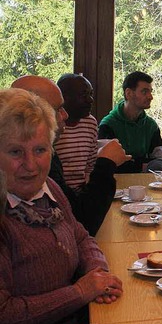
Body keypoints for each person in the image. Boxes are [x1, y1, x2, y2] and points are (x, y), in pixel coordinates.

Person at [0, 88, 123, 324]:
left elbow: (81, 236)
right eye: (15, 152)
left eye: (40, 150)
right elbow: (6, 318)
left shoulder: (49, 189)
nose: (31, 165)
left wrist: (97, 271)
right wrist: (81, 291)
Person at [11, 75, 130, 237]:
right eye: (58, 109)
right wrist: (106, 163)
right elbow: (85, 221)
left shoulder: (51, 175)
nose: (65, 116)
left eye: (40, 150)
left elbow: (78, 231)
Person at [98, 71, 162, 173]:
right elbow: (107, 164)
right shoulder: (108, 125)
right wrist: (145, 164)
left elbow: (161, 162)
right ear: (128, 93)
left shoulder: (151, 125)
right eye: (144, 92)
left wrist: (133, 163)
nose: (150, 97)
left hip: (145, 184)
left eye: (151, 91)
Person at [55, 74, 98, 191]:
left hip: (82, 193)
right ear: (64, 97)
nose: (90, 100)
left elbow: (90, 167)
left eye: (91, 94)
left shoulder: (90, 123)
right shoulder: (52, 126)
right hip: (57, 193)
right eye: (83, 95)